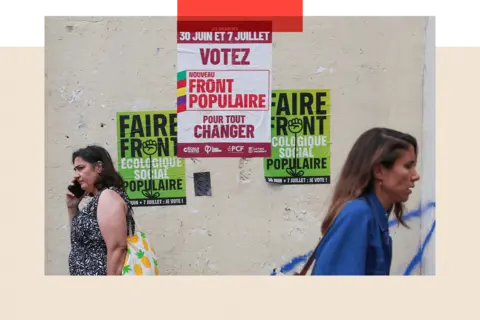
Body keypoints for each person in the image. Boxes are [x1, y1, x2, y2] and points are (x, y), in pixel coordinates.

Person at [311, 127, 420, 275]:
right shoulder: (358, 214)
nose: (415, 176)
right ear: (379, 171)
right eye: (408, 166)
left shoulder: (372, 215)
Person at [66, 145, 136, 275]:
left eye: (81, 168)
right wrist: (72, 207)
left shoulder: (108, 196)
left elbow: (117, 249)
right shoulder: (97, 200)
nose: (77, 176)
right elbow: (79, 242)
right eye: (75, 170)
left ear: (98, 167)